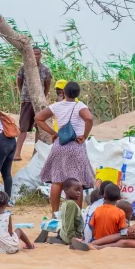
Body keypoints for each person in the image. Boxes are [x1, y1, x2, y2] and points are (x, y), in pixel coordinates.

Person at [35, 81, 96, 214]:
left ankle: (55, 213)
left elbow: (38, 118)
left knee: (57, 181)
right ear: (78, 94)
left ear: (64, 93)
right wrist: (84, 136)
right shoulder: (80, 106)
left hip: (60, 145)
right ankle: (76, 214)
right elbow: (89, 119)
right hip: (76, 146)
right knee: (77, 182)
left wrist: (53, 133)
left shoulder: (56, 106)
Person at [15, 47, 53, 161]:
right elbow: (19, 81)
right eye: (33, 54)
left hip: (39, 102)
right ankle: (17, 153)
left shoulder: (45, 69)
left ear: (40, 55)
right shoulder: (24, 67)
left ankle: (35, 154)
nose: (35, 56)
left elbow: (47, 84)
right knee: (23, 127)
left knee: (39, 127)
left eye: (37, 54)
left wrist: (42, 98)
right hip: (26, 100)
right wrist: (24, 94)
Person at [73, 183, 125, 248]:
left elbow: (92, 227)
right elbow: (123, 231)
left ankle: (85, 242)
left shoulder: (97, 210)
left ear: (104, 196)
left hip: (96, 240)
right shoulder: (120, 212)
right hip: (111, 242)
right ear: (119, 198)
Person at [36, 179, 85, 244]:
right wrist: (73, 238)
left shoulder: (65, 203)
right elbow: (69, 223)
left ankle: (48, 238)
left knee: (63, 237)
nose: (79, 193)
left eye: (79, 190)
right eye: (76, 190)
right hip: (72, 235)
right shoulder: (71, 204)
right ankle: (50, 239)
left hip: (64, 233)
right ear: (66, 190)